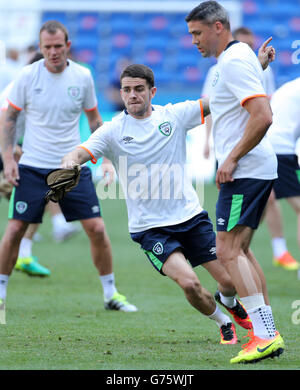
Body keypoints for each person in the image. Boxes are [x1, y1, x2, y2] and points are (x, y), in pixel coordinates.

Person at [61, 63, 258, 346]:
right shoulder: (113, 129)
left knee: (228, 281)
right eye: (127, 90)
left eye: (139, 89)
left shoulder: (174, 116)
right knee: (189, 283)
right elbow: (81, 151)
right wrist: (69, 163)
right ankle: (223, 321)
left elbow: (217, 101)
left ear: (152, 91)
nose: (132, 95)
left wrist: (256, 68)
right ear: (121, 92)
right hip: (150, 229)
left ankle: (227, 299)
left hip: (190, 218)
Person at [0, 21, 137, 325]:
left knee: (97, 229)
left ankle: (111, 294)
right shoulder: (26, 77)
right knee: (14, 231)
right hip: (33, 167)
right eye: (46, 47)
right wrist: (8, 159)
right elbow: (9, 120)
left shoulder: (82, 76)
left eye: (57, 47)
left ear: (67, 46)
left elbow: (95, 120)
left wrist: (106, 160)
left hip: (71, 166)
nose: (52, 52)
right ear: (41, 48)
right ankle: (1, 295)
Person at [186, 1, 284, 363]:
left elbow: (263, 116)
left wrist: (231, 158)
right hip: (251, 169)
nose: (193, 41)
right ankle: (267, 332)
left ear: (217, 28)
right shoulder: (238, 58)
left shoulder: (233, 60)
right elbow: (234, 96)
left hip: (245, 170)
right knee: (239, 250)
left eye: (197, 33)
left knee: (226, 252)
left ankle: (264, 335)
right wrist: (258, 65)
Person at [0, 52, 79, 277]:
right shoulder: (18, 89)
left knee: (40, 195)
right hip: (5, 149)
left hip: (13, 149)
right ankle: (55, 227)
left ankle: (25, 253)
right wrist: (13, 151)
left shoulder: (44, 92)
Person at [202, 26, 276, 161]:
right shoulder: (216, 70)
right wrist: (207, 140)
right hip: (226, 142)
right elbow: (210, 107)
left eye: (251, 45)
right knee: (223, 178)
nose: (248, 48)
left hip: (254, 140)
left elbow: (269, 105)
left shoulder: (266, 71)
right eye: (245, 44)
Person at [264, 78, 300, 271]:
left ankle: (279, 251)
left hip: (266, 145)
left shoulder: (290, 87)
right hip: (280, 149)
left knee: (264, 202)